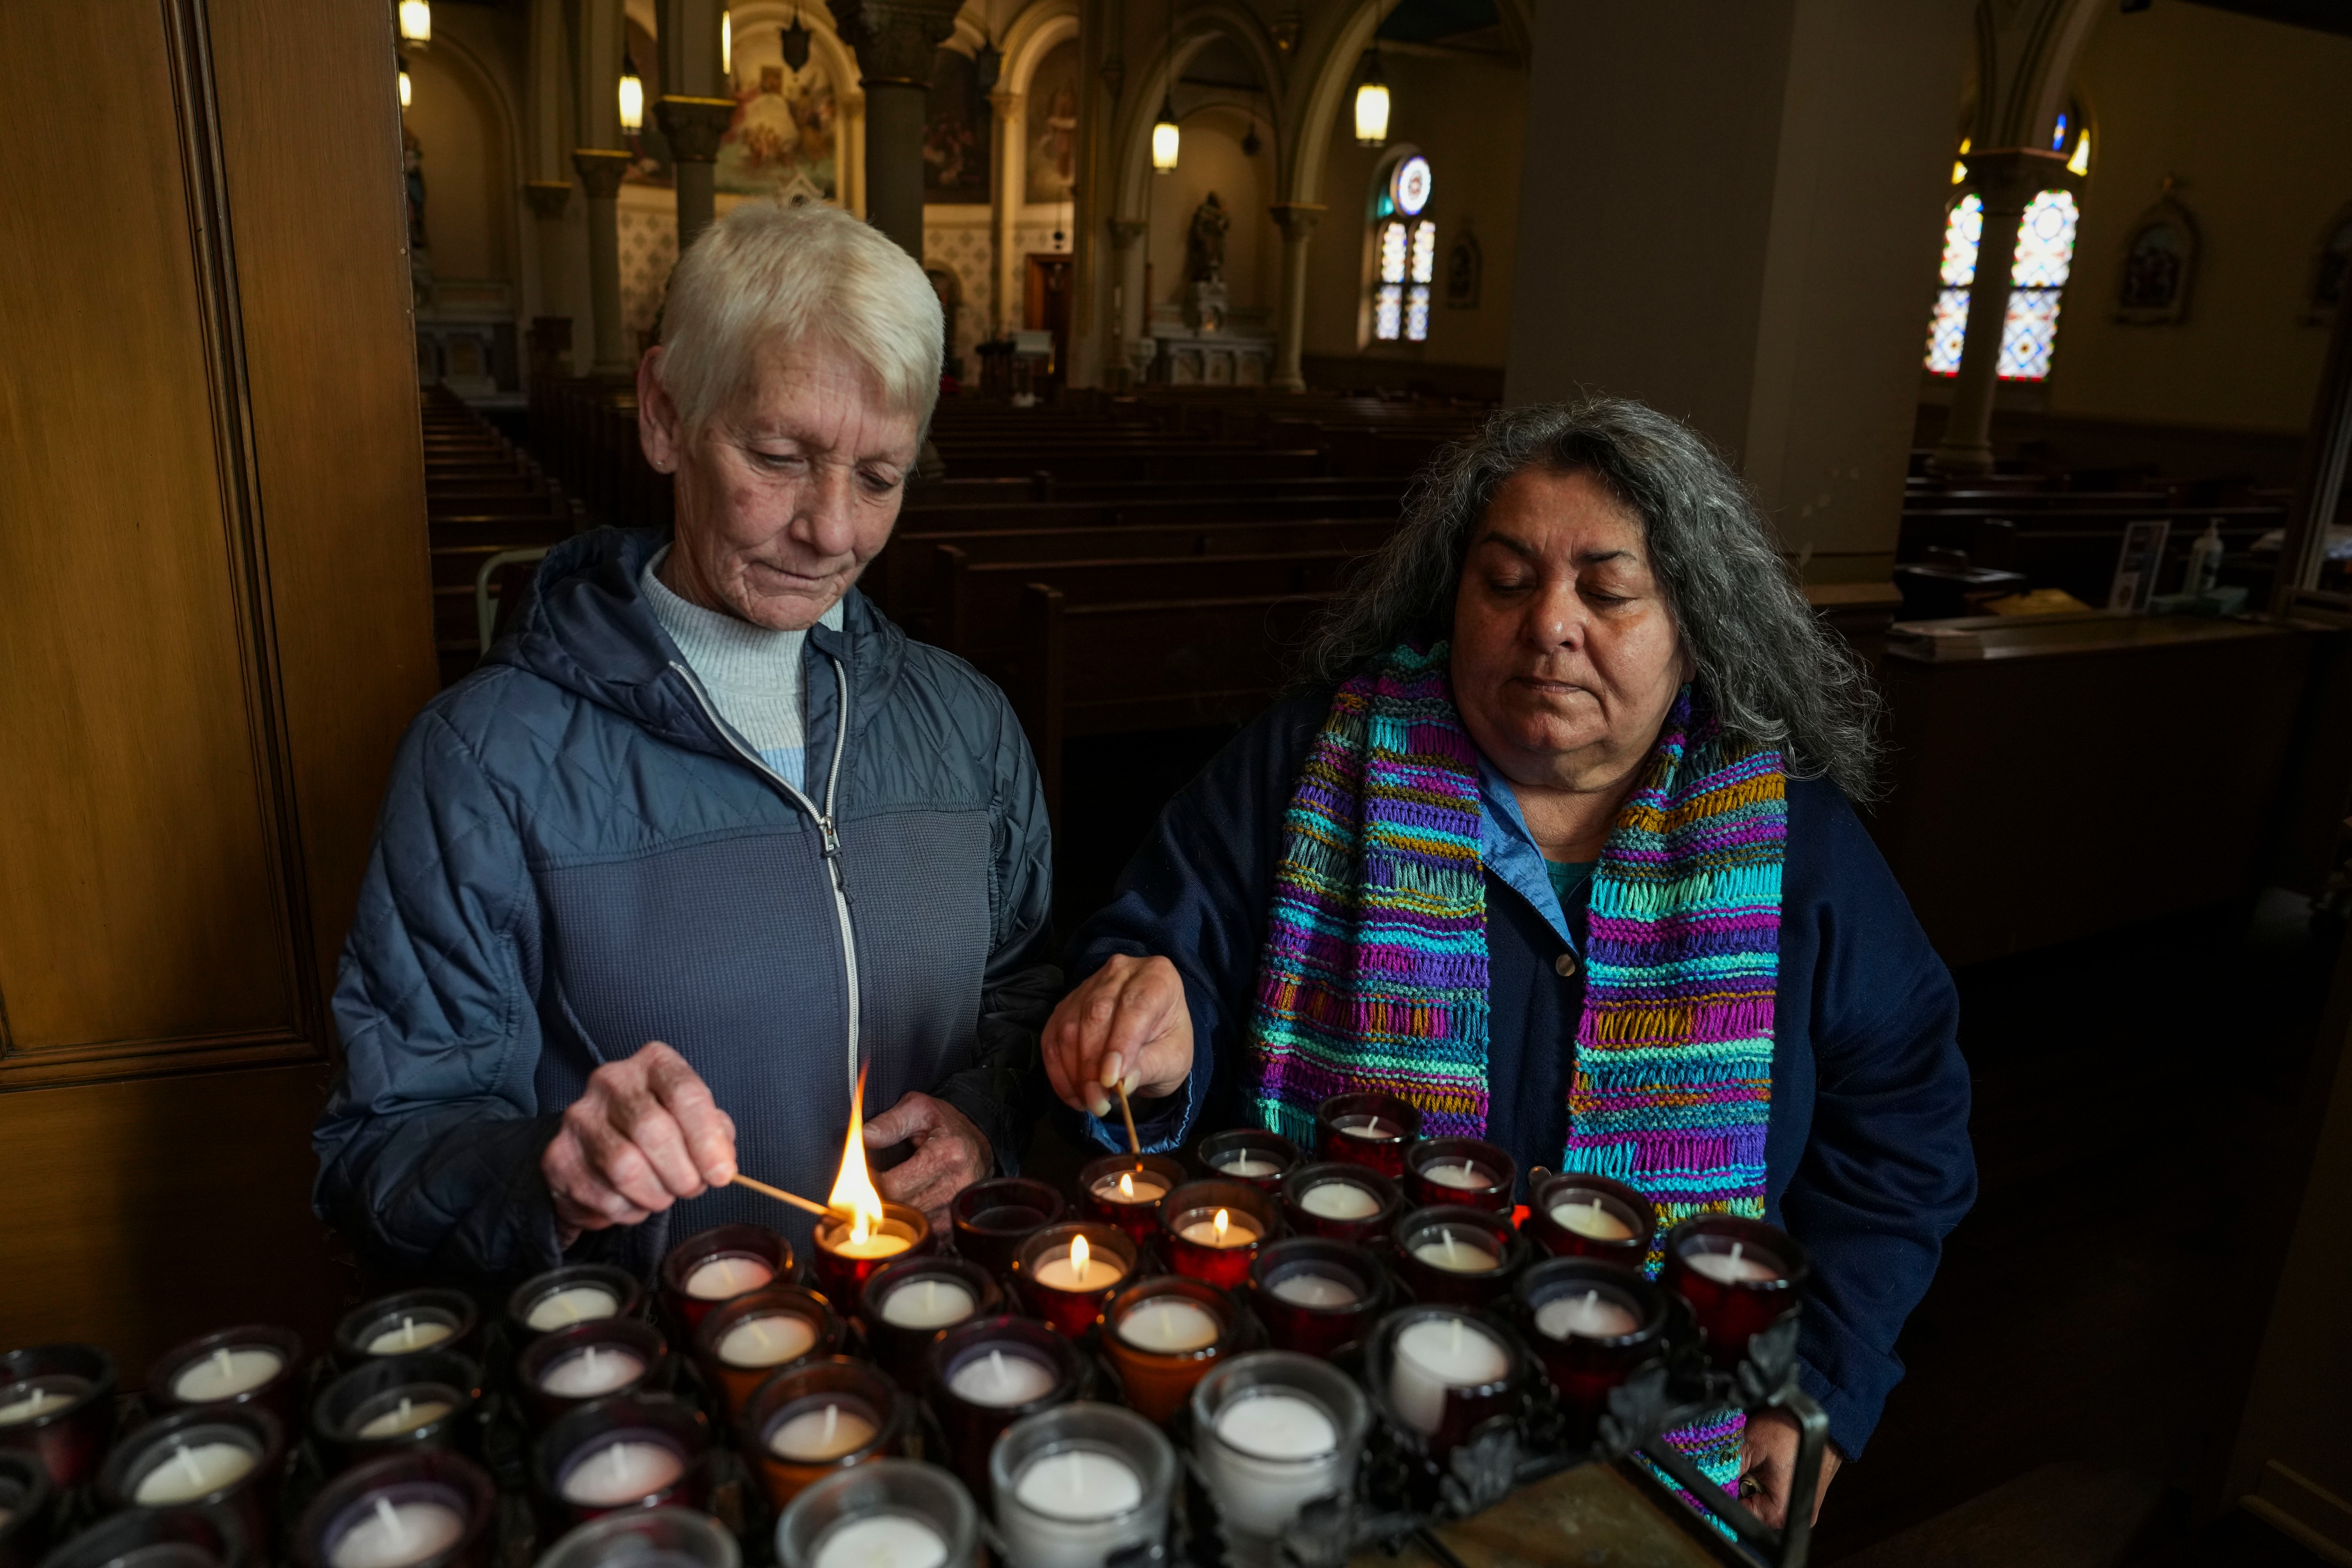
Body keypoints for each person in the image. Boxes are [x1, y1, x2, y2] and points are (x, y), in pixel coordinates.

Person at [1041, 398, 1973, 1527]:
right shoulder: (1308, 764)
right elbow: (1160, 952)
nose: (1549, 624)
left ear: (1693, 618)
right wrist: (1154, 1012)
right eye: (1506, 578)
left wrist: (1821, 1378)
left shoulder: (1793, 838)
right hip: (1316, 1414)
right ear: (1453, 594)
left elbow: (1904, 1123)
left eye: (1608, 589)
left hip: (1662, 1453)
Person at [315, 201, 1055, 1281]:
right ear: (664, 414)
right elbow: (379, 1149)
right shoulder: (484, 761)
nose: (834, 529)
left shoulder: (970, 725)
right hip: (657, 1384)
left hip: (925, 1352)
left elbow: (1024, 993)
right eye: (779, 455)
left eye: (880, 477)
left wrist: (984, 1121)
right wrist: (549, 1174)